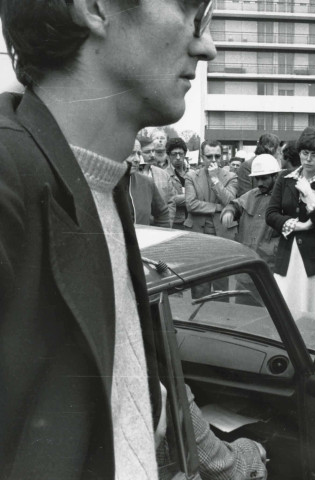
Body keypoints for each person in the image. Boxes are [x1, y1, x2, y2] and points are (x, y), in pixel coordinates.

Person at [0, 0, 216, 477]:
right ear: (95, 8)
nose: (208, 46)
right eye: (191, 13)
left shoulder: (105, 181)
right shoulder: (9, 176)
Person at [266, 127, 315, 315]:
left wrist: (310, 195)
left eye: (314, 155)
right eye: (305, 153)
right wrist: (300, 225)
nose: (308, 159)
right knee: (285, 311)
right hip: (287, 255)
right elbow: (271, 214)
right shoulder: (284, 178)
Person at [222, 154, 281, 271]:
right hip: (246, 261)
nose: (259, 183)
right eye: (257, 178)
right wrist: (229, 212)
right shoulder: (252, 194)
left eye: (264, 178)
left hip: (269, 265)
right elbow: (235, 204)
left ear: (275, 176)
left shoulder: (282, 197)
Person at [185, 139, 238, 240]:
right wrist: (218, 207)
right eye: (209, 156)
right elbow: (191, 205)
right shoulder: (191, 176)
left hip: (223, 231)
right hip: (197, 231)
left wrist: (215, 179)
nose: (214, 160)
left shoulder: (231, 176)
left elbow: (229, 201)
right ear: (202, 158)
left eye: (217, 156)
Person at [127, 139, 170, 227]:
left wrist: (160, 236)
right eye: (131, 153)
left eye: (139, 154)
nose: (137, 159)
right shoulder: (103, 184)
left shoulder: (146, 183)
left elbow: (162, 213)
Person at [141, 135, 176, 226]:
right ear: (138, 153)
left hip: (161, 228)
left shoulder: (163, 175)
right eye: (147, 152)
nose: (152, 155)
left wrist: (168, 224)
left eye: (153, 151)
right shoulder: (130, 176)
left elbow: (171, 202)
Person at [166, 137, 190, 230]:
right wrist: (193, 197)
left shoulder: (192, 173)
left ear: (185, 154)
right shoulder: (164, 175)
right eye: (174, 154)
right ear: (169, 155)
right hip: (175, 222)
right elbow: (171, 199)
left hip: (192, 221)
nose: (178, 157)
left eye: (181, 154)